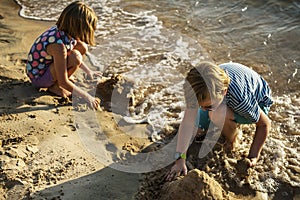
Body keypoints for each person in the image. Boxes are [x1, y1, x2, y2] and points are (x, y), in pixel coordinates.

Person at [166, 61, 273, 181]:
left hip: (259, 100)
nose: (202, 110)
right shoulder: (199, 92)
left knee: (217, 114)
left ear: (224, 92)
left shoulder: (241, 101)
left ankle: (233, 138)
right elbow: (187, 124)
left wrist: (253, 156)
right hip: (219, 93)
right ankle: (218, 115)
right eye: (199, 106)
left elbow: (264, 124)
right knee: (196, 132)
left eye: (206, 106)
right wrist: (180, 160)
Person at [26, 1, 101, 109]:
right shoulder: (58, 46)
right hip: (38, 77)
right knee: (75, 57)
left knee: (82, 47)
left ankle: (60, 78)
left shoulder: (64, 32)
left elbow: (74, 52)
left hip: (47, 65)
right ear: (79, 28)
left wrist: (89, 71)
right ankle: (55, 87)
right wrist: (87, 97)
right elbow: (64, 81)